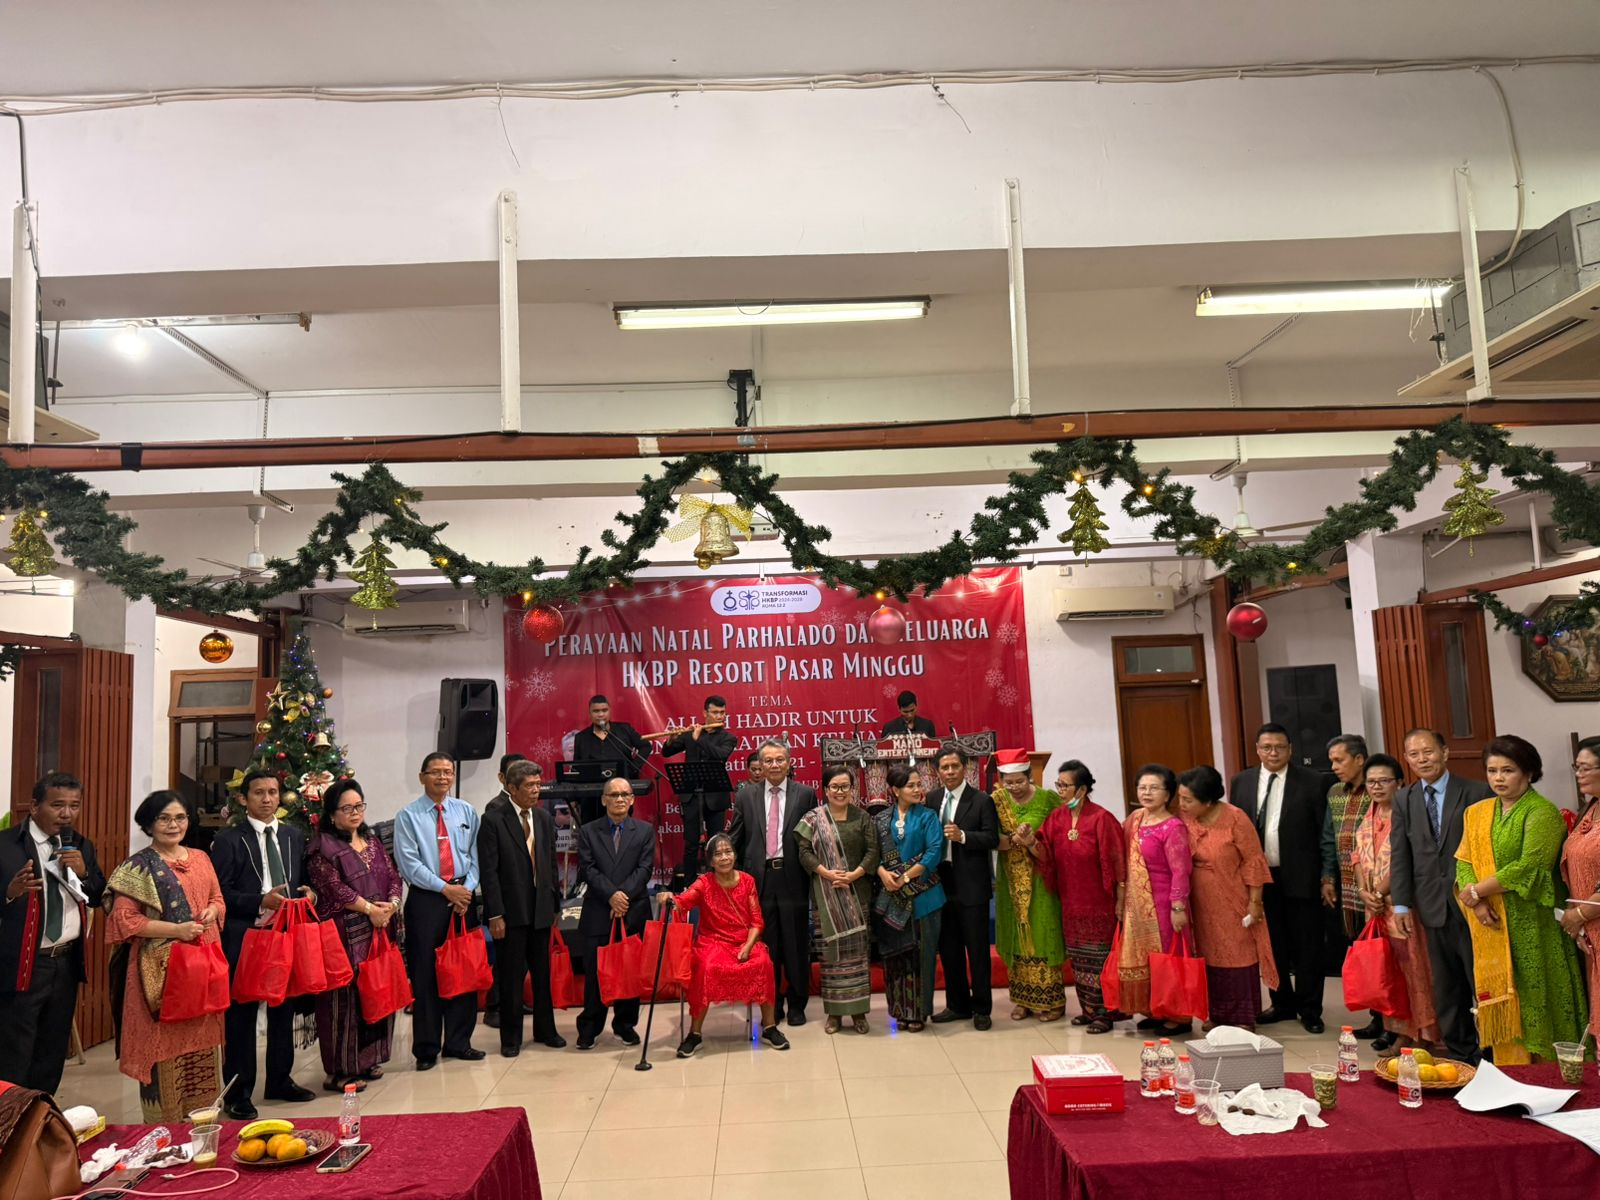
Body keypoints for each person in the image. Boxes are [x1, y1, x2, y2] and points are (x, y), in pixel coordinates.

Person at [1455, 735, 1588, 1064]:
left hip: (1534, 925)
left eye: (1508, 770)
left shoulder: (1542, 812)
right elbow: (1465, 860)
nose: (1498, 778)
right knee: (1503, 999)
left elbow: (1529, 867)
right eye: (1492, 771)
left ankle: (1550, 1072)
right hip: (1492, 920)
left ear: (1528, 773)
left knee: (1538, 997)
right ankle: (1510, 1072)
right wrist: (1477, 901)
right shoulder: (1478, 812)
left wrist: (1477, 891)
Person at [104, 791, 226, 1122]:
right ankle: (164, 1132)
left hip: (202, 968)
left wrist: (213, 911)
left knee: (203, 1046)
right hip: (159, 976)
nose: (173, 825)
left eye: (180, 818)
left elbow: (217, 898)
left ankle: (203, 1127)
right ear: (149, 824)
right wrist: (176, 931)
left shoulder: (201, 857)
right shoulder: (137, 867)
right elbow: (124, 920)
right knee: (162, 1049)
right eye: (164, 818)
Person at [210, 770, 315, 1119]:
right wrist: (259, 901)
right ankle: (238, 1093)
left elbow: (302, 879)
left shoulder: (293, 835)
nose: (267, 799)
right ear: (244, 798)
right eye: (259, 792)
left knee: (283, 1009)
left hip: (285, 932)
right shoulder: (229, 839)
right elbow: (220, 893)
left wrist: (309, 893)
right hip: (246, 933)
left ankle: (280, 1080)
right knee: (241, 1015)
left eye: (273, 792)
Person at [1389, 727, 1494, 1063]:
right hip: (1430, 904)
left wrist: (1483, 894)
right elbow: (1400, 855)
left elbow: (1487, 850)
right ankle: (1462, 1055)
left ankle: (1493, 1052)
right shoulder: (1403, 799)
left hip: (1474, 903)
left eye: (1428, 752)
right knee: (1446, 987)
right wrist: (1401, 905)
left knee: (1481, 981)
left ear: (1445, 753)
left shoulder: (1476, 791)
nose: (1422, 759)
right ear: (1406, 759)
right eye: (1414, 754)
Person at [0, 771, 106, 1094]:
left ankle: (41, 1117)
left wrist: (84, 873)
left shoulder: (81, 846)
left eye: (74, 805)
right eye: (57, 805)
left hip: (65, 963)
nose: (67, 814)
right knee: (15, 1053)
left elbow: (98, 896)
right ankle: (10, 1120)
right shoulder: (5, 845)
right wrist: (9, 893)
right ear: (34, 806)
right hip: (21, 965)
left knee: (52, 1052)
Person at [1229, 723, 1336, 1034]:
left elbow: (1324, 832)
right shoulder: (1242, 781)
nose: (1273, 753)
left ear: (1291, 750)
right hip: (1260, 880)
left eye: (1279, 747)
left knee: (1308, 946)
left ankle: (1310, 1009)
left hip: (1303, 875)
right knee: (1272, 944)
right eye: (1267, 747)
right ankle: (1281, 1003)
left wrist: (1326, 876)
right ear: (1257, 750)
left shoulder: (1314, 782)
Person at [306, 779, 404, 1090]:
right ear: (332, 814)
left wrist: (392, 905)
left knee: (377, 992)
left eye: (359, 806)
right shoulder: (322, 848)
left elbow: (394, 876)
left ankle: (369, 1060)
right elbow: (333, 888)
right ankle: (341, 1071)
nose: (355, 813)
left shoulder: (372, 841)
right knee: (344, 1003)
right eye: (347, 808)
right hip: (343, 935)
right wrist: (370, 909)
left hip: (379, 930)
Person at [394, 753, 486, 1070]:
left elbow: (476, 856)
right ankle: (426, 1048)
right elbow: (409, 863)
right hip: (428, 899)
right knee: (425, 975)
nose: (443, 777)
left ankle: (459, 1042)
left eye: (448, 772)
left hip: (463, 899)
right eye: (436, 772)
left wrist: (466, 890)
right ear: (422, 777)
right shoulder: (408, 816)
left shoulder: (466, 811)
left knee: (463, 969)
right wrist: (446, 889)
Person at [662, 834, 790, 1056]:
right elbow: (683, 901)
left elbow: (757, 922)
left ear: (735, 855)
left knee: (764, 963)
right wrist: (670, 898)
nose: (724, 858)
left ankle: (769, 1027)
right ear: (710, 861)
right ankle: (694, 1034)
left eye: (728, 852)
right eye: (718, 854)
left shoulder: (747, 881)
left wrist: (747, 947)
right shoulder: (704, 883)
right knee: (706, 968)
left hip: (744, 941)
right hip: (713, 942)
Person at [1351, 754, 1439, 1054]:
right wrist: (1364, 891)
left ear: (1399, 783)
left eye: (1384, 781)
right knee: (1389, 974)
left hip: (1403, 906)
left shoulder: (1411, 814)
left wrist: (1379, 892)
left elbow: (1409, 860)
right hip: (1375, 908)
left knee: (1414, 971)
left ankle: (1422, 1035)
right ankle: (1399, 1033)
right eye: (1371, 782)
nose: (1376, 787)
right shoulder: (1369, 815)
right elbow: (1356, 857)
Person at [1177, 765, 1275, 1032]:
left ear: (1208, 801)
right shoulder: (1186, 819)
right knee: (1208, 954)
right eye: (1180, 798)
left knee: (1237, 954)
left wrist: (1255, 902)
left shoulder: (1235, 818)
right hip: (1199, 900)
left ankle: (1242, 1017)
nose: (1182, 805)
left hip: (1232, 897)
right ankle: (1218, 1014)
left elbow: (1253, 861)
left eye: (1188, 800)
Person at [479, 760, 565, 1056]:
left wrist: (555, 904)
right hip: (510, 912)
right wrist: (495, 914)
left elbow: (550, 864)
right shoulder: (493, 820)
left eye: (538, 784)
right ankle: (511, 1038)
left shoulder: (543, 817)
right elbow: (489, 872)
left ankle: (546, 1030)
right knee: (512, 978)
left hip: (541, 909)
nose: (536, 790)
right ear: (512, 788)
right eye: (529, 785)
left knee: (542, 975)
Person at [728, 740, 817, 1025]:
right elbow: (736, 837)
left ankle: (797, 1004)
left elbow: (814, 839)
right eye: (768, 761)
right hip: (759, 880)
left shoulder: (805, 794)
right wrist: (720, 863)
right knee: (767, 945)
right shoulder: (746, 795)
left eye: (780, 759)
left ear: (789, 763)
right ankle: (772, 1003)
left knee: (796, 943)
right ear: (760, 765)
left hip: (794, 878)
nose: (774, 765)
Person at [1034, 761, 1125, 1034]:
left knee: (1100, 960)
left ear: (1082, 789)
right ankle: (1088, 1010)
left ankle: (1106, 1013)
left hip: (1099, 903)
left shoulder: (1102, 818)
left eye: (1065, 785)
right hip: (1071, 902)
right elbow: (1044, 852)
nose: (1060, 790)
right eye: (1058, 784)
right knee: (1079, 958)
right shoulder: (1057, 818)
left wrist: (1121, 900)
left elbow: (1118, 862)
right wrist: (1029, 842)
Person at [795, 767, 880, 1034]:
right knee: (831, 956)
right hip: (826, 895)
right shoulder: (813, 818)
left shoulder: (863, 818)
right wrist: (827, 873)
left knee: (858, 955)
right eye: (835, 786)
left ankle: (858, 1013)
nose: (840, 791)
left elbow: (873, 851)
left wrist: (853, 875)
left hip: (857, 894)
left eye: (845, 786)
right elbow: (804, 852)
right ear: (825, 789)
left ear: (852, 789)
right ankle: (834, 1013)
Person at [1113, 765, 1195, 1034]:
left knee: (1168, 959)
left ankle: (1178, 1016)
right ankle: (1155, 1010)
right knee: (1147, 959)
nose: (1146, 793)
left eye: (1154, 788)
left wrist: (1178, 906)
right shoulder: (1134, 819)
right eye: (1142, 788)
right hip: (1136, 906)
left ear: (1168, 794)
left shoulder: (1173, 827)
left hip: (1164, 905)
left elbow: (1180, 871)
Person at [575, 777, 654, 1050]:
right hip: (599, 910)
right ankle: (589, 1028)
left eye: (624, 794)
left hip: (632, 911)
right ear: (603, 799)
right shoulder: (588, 831)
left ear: (632, 799)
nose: (619, 799)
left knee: (629, 972)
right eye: (613, 794)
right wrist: (611, 895)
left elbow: (645, 869)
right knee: (595, 974)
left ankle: (625, 1025)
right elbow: (588, 868)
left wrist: (623, 897)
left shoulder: (644, 831)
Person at [926, 747, 999, 1030]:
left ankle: (982, 1008)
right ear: (937, 771)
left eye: (955, 766)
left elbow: (992, 838)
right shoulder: (933, 798)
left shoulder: (981, 800)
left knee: (977, 951)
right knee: (949, 949)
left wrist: (964, 836)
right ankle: (957, 1005)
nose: (950, 772)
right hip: (941, 885)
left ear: (965, 767)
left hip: (972, 886)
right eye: (944, 767)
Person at [992, 748, 1066, 1021]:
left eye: (1019, 781)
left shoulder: (1048, 799)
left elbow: (1061, 833)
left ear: (1030, 777)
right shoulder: (997, 801)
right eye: (1009, 783)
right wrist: (1014, 840)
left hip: (1041, 878)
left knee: (1043, 933)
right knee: (1017, 935)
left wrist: (1033, 841)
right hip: (1010, 880)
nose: (1014, 787)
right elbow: (992, 838)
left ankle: (1052, 1001)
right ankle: (1023, 999)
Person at [873, 764, 946, 1030]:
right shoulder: (881, 820)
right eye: (911, 785)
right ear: (895, 790)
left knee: (922, 956)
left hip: (924, 898)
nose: (917, 790)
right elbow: (872, 853)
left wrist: (904, 877)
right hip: (891, 897)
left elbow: (934, 852)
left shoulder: (928, 816)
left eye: (919, 784)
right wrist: (882, 873)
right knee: (895, 957)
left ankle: (918, 1013)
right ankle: (899, 1010)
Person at [1322, 733, 1380, 1039]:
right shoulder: (1335, 792)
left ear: (1359, 759)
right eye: (1332, 760)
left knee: (1382, 954)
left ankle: (1387, 1020)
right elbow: (1328, 838)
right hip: (1347, 888)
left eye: (1339, 760)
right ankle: (1376, 1016)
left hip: (1378, 887)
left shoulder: (1378, 790)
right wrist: (1328, 878)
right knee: (1362, 952)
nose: (1334, 766)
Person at [658, 695, 738, 886]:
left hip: (715, 796)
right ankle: (689, 885)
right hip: (692, 795)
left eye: (722, 713)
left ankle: (716, 884)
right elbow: (666, 752)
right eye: (715, 712)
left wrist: (698, 739)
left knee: (716, 843)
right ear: (705, 713)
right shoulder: (691, 733)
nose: (719, 716)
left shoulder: (728, 738)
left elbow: (720, 755)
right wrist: (671, 740)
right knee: (691, 843)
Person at [1558, 736, 1600, 1043]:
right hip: (1592, 930)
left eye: (1586, 768)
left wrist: (1580, 914)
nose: (1578, 774)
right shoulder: (1591, 808)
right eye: (1577, 767)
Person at [573, 694, 652, 782]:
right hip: (593, 785)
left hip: (622, 783)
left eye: (604, 710)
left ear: (610, 711)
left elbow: (646, 746)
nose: (601, 714)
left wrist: (633, 768)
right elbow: (576, 766)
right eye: (596, 711)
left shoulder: (625, 729)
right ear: (590, 713)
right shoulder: (581, 737)